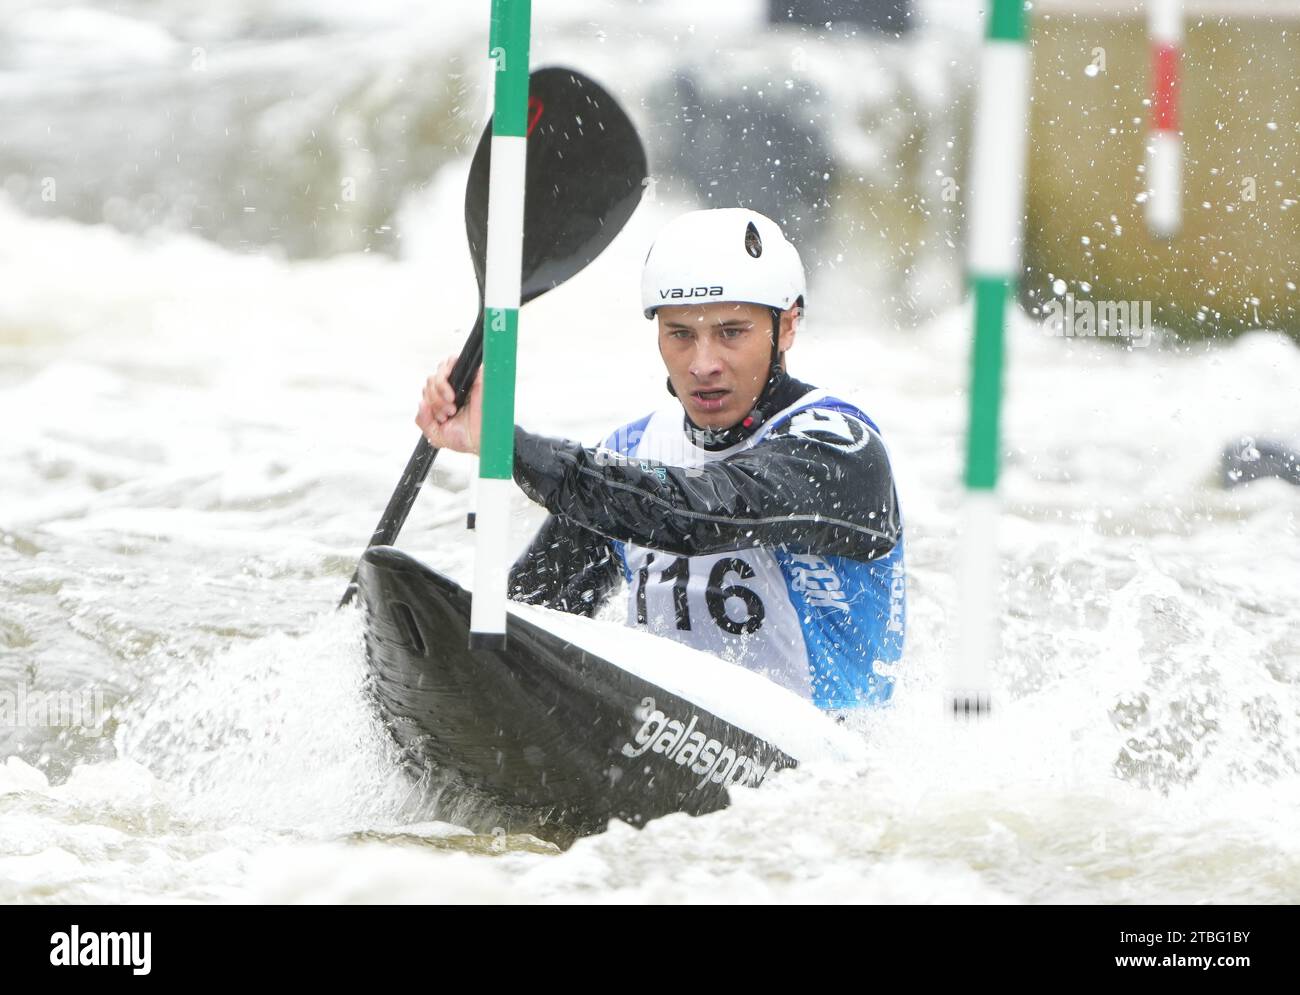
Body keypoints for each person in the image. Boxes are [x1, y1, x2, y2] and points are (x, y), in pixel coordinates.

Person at [416, 207, 905, 710]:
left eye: (731, 332)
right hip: (662, 730)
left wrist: (507, 443)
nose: (703, 364)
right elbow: (533, 614)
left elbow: (697, 514)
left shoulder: (840, 449)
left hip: (825, 762)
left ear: (786, 327)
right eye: (681, 334)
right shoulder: (632, 451)